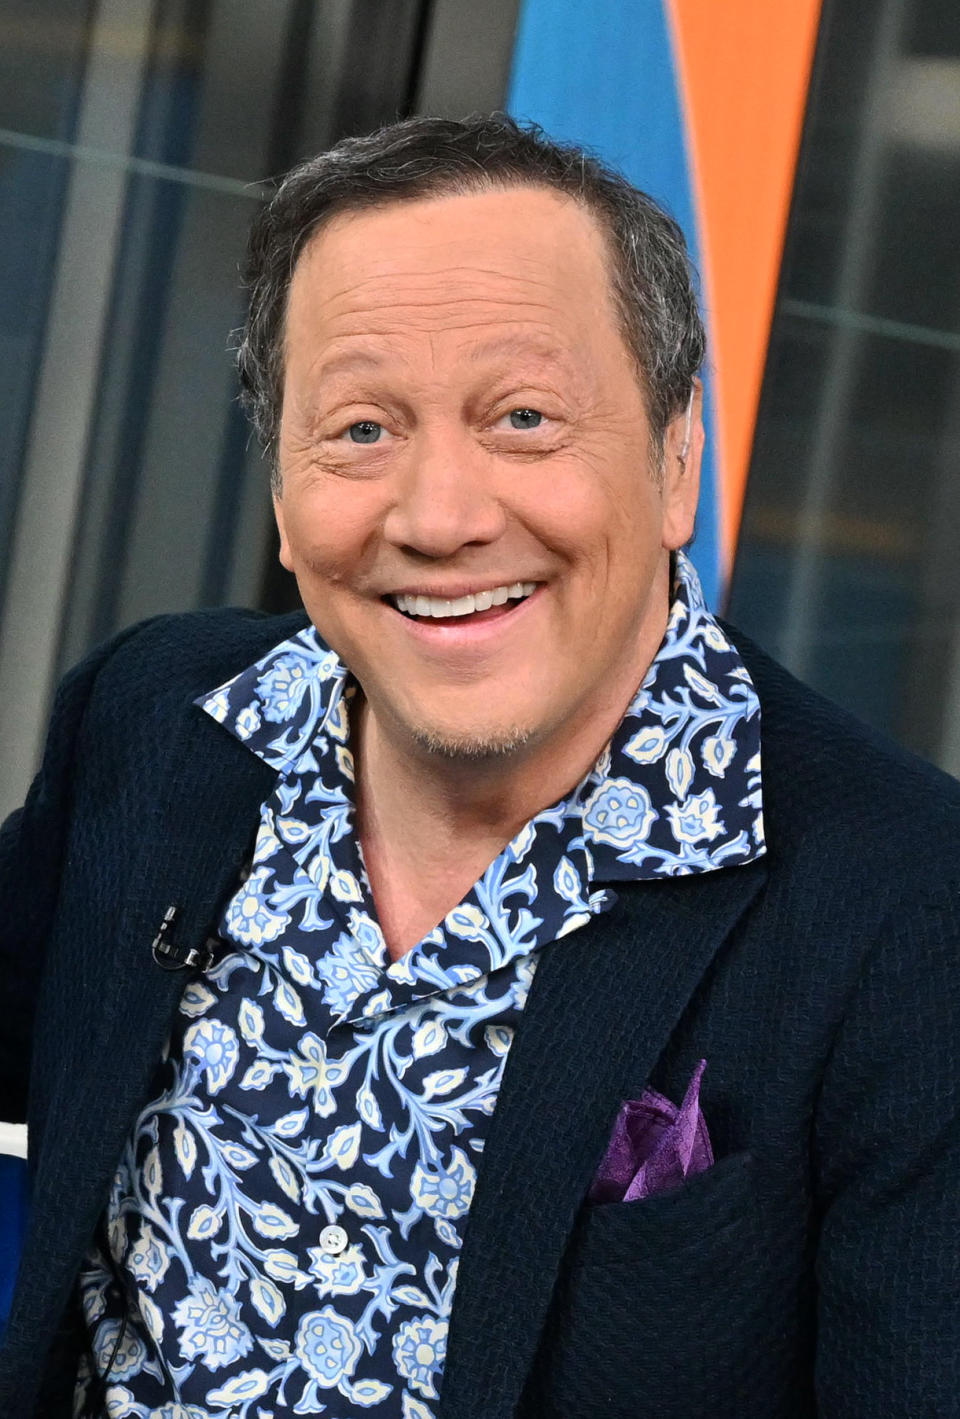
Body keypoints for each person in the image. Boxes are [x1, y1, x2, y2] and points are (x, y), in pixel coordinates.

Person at [0, 113, 957, 1419]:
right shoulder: (160, 719)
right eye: (359, 431)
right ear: (281, 497)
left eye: (522, 417)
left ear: (678, 463)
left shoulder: (908, 914)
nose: (440, 516)